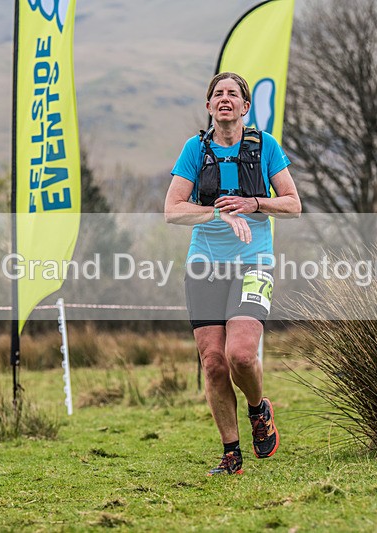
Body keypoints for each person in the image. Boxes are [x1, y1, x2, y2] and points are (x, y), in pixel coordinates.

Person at [164, 72, 301, 475]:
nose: (225, 99)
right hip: (204, 265)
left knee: (240, 355)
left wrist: (254, 203)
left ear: (244, 107)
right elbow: (172, 210)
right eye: (217, 94)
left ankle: (258, 409)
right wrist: (218, 210)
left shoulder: (265, 147)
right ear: (209, 107)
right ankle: (231, 454)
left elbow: (293, 204)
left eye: (233, 94)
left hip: (253, 262)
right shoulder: (195, 149)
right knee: (213, 363)